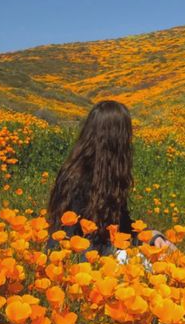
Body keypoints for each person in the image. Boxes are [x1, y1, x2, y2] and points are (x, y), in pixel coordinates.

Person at [46, 100, 175, 260]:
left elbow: (123, 226)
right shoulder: (77, 180)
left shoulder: (108, 178)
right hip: (77, 263)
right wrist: (121, 253)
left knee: (168, 250)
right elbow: (71, 244)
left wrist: (153, 236)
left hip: (102, 254)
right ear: (116, 141)